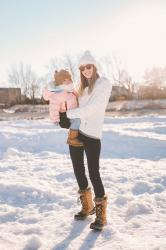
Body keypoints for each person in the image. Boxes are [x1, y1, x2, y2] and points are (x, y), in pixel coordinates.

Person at [66, 51, 112, 231]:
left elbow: (93, 109)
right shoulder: (80, 89)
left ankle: (101, 215)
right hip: (76, 133)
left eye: (88, 66)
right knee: (78, 170)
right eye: (82, 68)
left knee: (94, 172)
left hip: (92, 135)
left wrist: (67, 114)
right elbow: (71, 105)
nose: (85, 70)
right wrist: (63, 117)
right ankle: (87, 206)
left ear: (94, 66)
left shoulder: (103, 84)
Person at [43, 69, 83, 147]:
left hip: (73, 113)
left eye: (69, 79)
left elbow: (78, 99)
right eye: (64, 80)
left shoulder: (71, 90)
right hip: (65, 116)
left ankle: (75, 136)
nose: (68, 81)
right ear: (60, 82)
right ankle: (72, 138)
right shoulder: (59, 93)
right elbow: (53, 107)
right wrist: (55, 119)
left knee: (79, 122)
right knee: (77, 121)